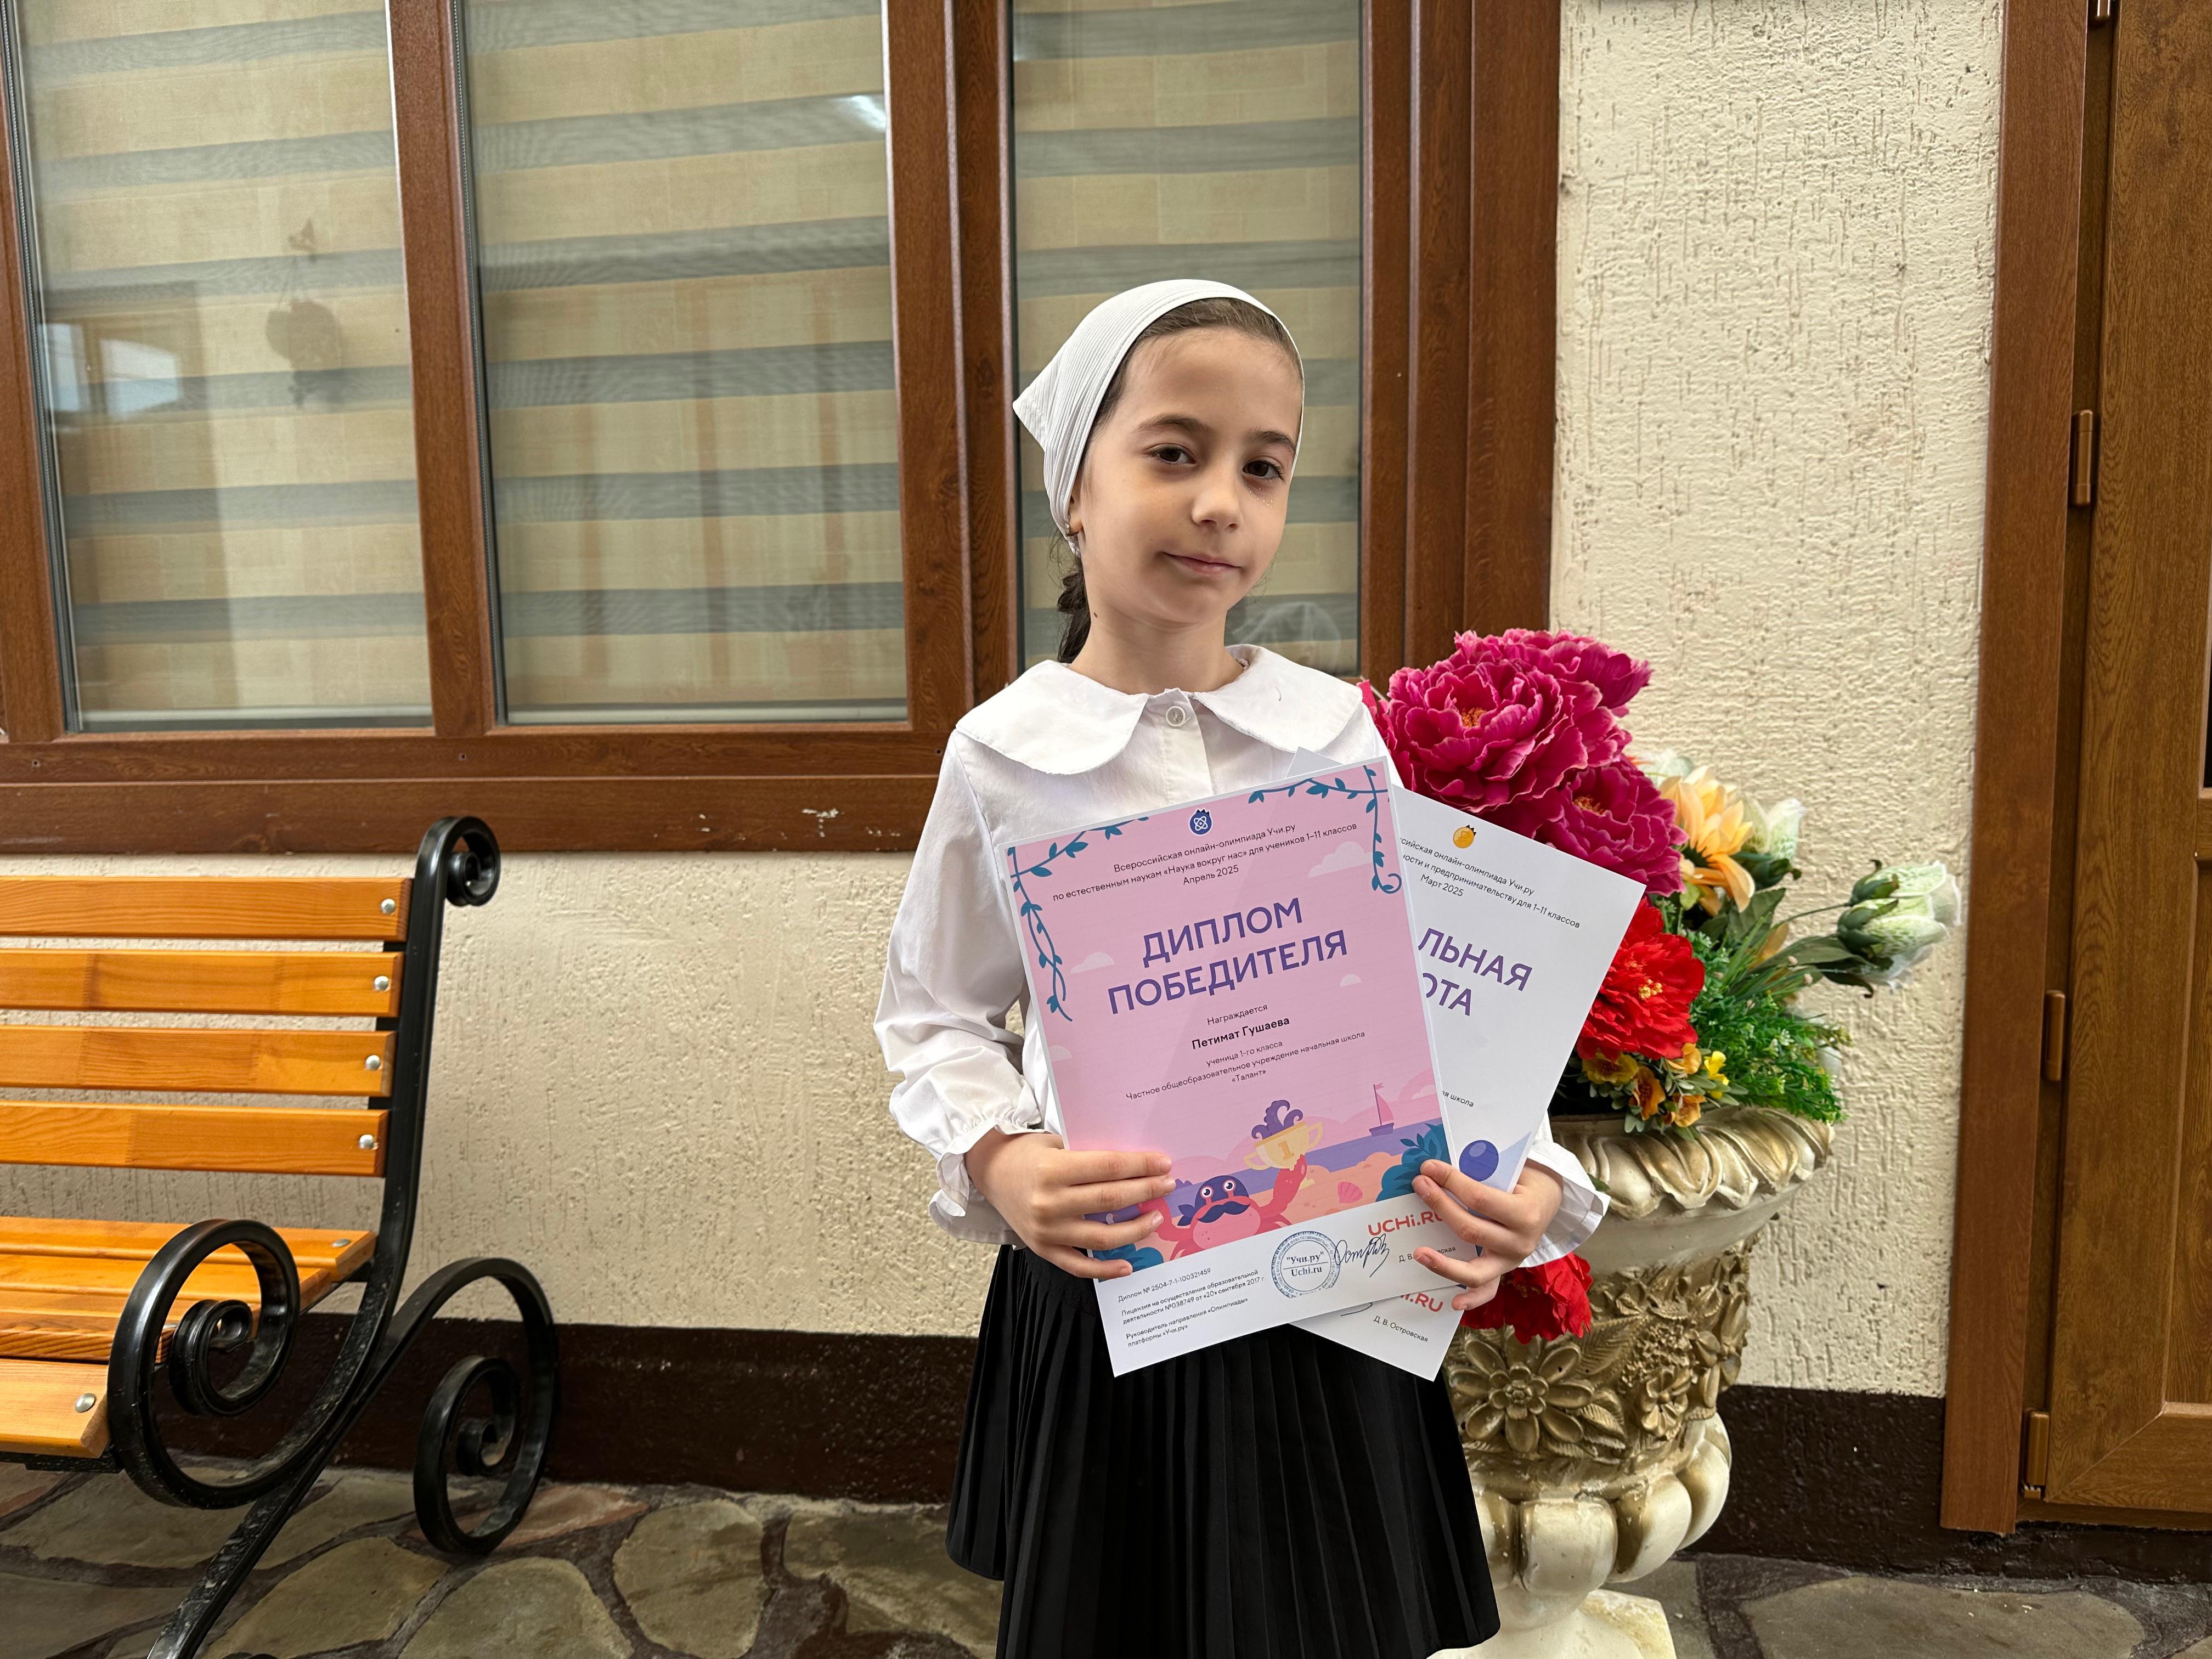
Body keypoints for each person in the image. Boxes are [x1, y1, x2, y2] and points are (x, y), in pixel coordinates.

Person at [874, 279, 1607, 1657]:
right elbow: (935, 1015)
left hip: (1330, 1291)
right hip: (1115, 1286)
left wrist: (1528, 1178)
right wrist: (1002, 1161)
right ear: (1072, 489)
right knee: (1119, 1617)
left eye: (1263, 468)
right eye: (1175, 451)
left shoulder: (1333, 733)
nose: (1221, 502)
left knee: (1326, 1614)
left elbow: (1433, 1001)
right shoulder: (1003, 755)